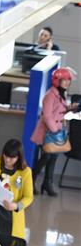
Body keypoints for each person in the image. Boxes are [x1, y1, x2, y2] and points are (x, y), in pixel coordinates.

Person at [31, 67, 77, 197]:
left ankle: (47, 184)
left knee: (53, 159)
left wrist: (68, 109)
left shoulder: (61, 93)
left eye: (69, 80)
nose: (67, 82)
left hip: (56, 133)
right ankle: (31, 182)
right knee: (45, 158)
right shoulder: (50, 95)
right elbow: (47, 116)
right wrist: (55, 130)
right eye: (65, 80)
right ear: (57, 80)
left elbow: (57, 112)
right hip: (48, 133)